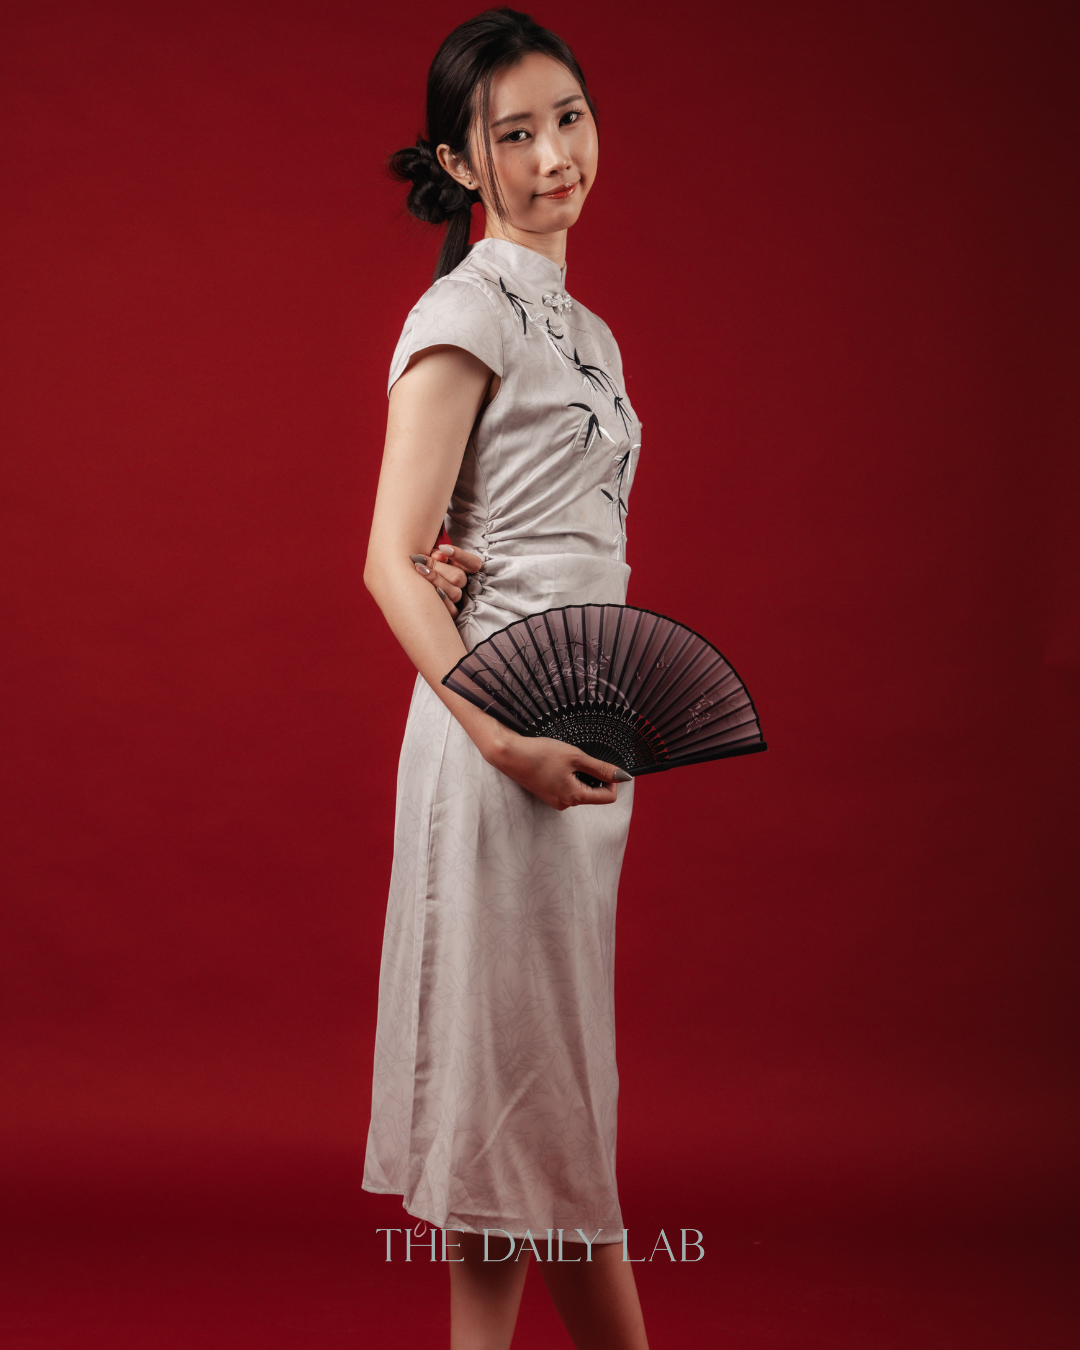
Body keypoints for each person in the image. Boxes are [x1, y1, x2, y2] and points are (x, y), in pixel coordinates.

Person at [363, 10, 649, 1348]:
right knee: (539, 1119)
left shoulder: (587, 329)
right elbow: (388, 561)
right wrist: (504, 742)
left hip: (577, 743)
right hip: (499, 745)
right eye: (515, 134)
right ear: (461, 163)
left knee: (522, 1121)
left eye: (568, 119)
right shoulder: (464, 308)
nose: (553, 157)